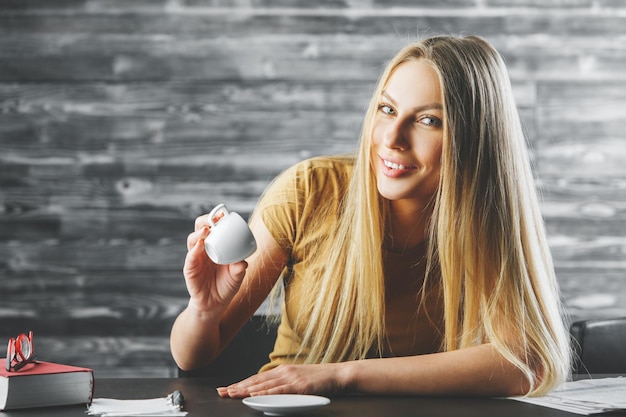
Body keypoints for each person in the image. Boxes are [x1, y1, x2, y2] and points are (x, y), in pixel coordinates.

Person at [170, 34, 571, 398]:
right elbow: (194, 358)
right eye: (387, 109)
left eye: (428, 120)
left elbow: (525, 361)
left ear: (474, 139)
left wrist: (342, 375)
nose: (392, 139)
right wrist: (203, 310)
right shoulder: (310, 191)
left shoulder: (486, 222)